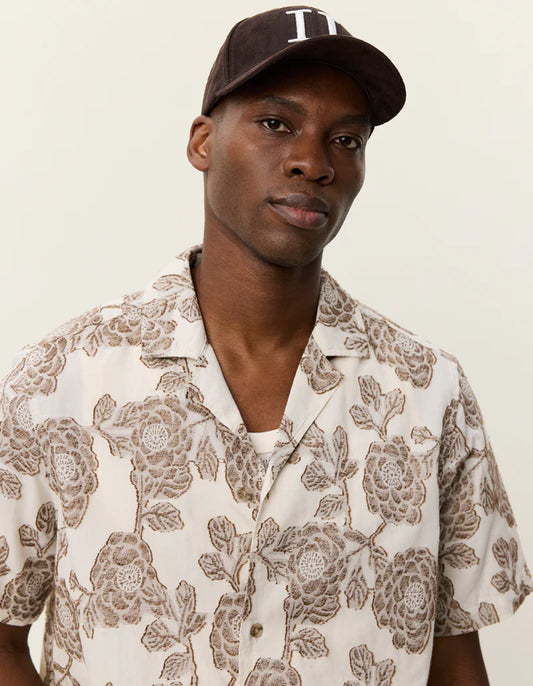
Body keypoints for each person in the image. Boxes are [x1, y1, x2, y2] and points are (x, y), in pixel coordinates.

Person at [0, 5, 530, 685]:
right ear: (202, 142)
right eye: (276, 124)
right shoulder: (61, 380)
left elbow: (456, 663)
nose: (313, 162)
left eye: (346, 139)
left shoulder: (426, 393)